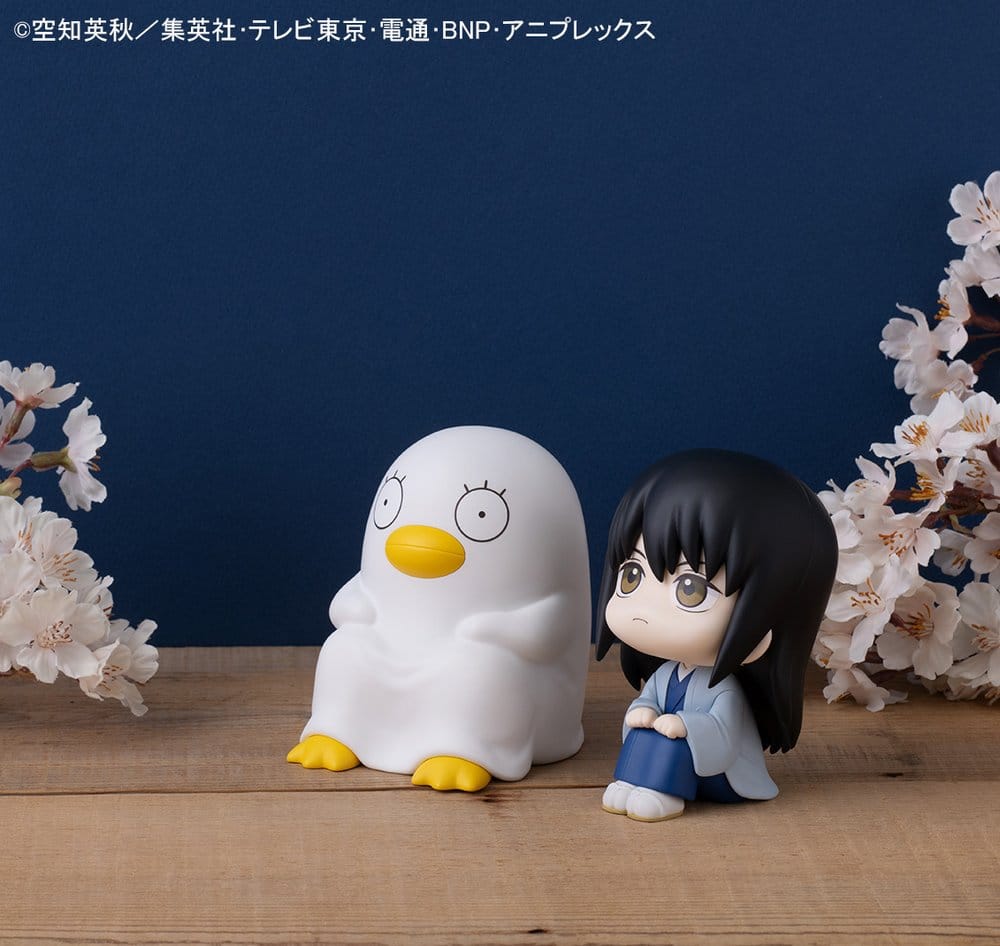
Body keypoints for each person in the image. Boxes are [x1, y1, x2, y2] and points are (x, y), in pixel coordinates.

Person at [596, 448, 838, 822]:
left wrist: (684, 725)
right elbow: (647, 703)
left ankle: (662, 792)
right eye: (632, 575)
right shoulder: (665, 676)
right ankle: (631, 782)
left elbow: (721, 736)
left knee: (674, 739)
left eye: (690, 589)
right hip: (687, 761)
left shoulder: (724, 691)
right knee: (643, 725)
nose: (645, 610)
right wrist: (643, 710)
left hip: (723, 776)